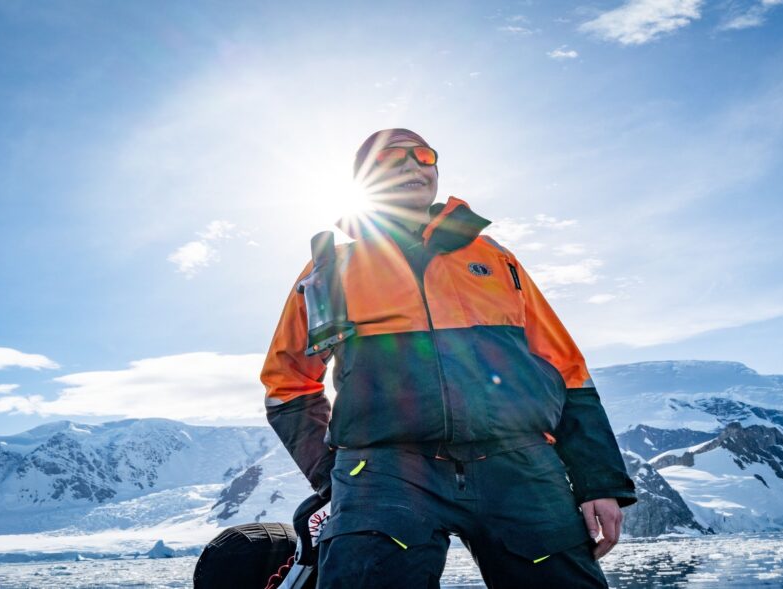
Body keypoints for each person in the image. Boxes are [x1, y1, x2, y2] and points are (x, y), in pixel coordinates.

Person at [262, 128, 636, 588]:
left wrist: (599, 481)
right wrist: (333, 476)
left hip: (518, 462)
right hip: (384, 468)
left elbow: (567, 370)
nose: (412, 165)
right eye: (391, 159)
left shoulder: (496, 259)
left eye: (423, 156)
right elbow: (286, 383)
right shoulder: (330, 269)